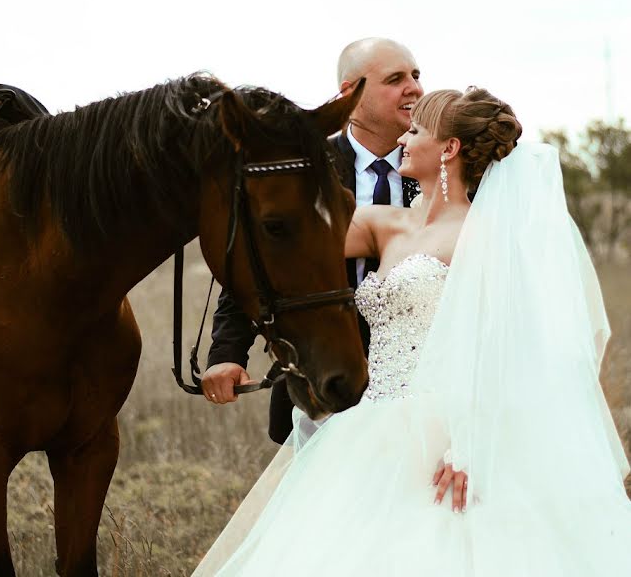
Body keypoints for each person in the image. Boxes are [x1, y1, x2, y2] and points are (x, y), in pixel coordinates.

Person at [194, 88, 631, 576]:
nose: (405, 136)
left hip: (451, 434)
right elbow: (286, 236)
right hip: (371, 425)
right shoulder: (386, 225)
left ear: (449, 149)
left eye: (417, 130)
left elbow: (512, 350)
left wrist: (468, 447)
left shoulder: (486, 235)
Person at [202, 37, 423, 444]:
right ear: (348, 94)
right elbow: (261, 263)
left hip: (419, 382)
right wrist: (227, 355)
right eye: (395, 79)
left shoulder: (439, 173)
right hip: (321, 379)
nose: (414, 87)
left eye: (415, 75)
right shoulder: (301, 171)